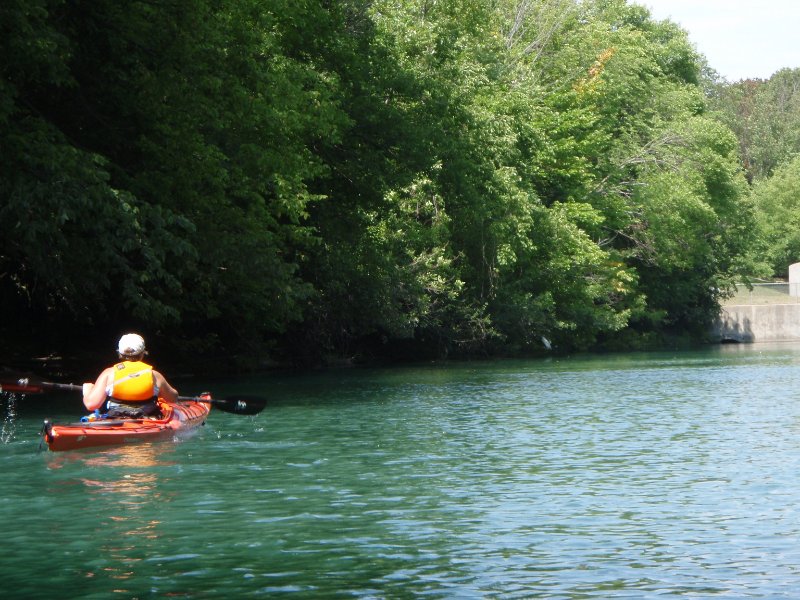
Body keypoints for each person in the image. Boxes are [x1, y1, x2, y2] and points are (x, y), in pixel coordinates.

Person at [82, 333, 179, 418]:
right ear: (142, 353)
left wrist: (88, 390)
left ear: (120, 353)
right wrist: (158, 392)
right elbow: (173, 398)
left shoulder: (109, 374)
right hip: (148, 419)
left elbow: (91, 405)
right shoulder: (155, 376)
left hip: (116, 418)